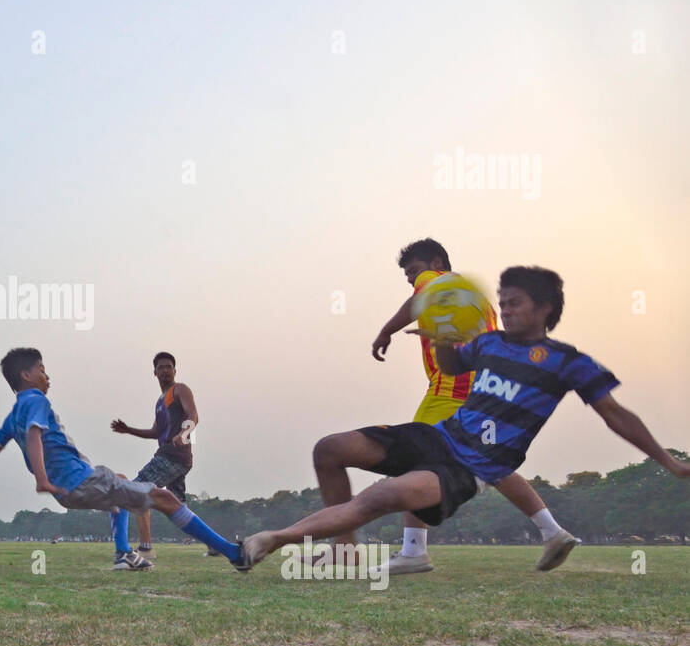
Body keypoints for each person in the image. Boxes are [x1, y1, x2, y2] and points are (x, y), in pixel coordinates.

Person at [242, 266, 690, 568]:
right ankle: (343, 550)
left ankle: (274, 538)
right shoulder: (490, 343)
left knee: (383, 496)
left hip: (473, 466)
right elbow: (454, 366)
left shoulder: (566, 362)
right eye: (503, 301)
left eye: (514, 302)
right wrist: (439, 336)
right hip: (439, 435)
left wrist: (668, 461)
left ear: (545, 309)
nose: (506, 309)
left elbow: (616, 415)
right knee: (330, 447)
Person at [363, 239, 577, 573]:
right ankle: (553, 531)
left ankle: (413, 551)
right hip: (484, 387)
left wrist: (385, 331)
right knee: (488, 462)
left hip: (449, 389)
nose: (412, 280)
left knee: (411, 457)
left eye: (414, 272)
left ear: (435, 263)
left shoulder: (438, 281)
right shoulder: (475, 298)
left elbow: (418, 297)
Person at [0, 348, 250, 572]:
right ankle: (233, 553)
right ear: (27, 376)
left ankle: (124, 551)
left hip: (69, 493)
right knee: (164, 499)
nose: (48, 377)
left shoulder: (13, 414)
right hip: (82, 480)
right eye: (43, 371)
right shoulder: (36, 400)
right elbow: (35, 434)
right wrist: (41, 478)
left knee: (123, 485)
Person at [111, 351, 198, 561]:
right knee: (178, 508)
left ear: (175, 370)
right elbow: (155, 432)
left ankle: (145, 548)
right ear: (155, 373)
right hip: (177, 459)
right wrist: (128, 429)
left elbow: (193, 415)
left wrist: (183, 434)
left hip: (172, 456)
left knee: (137, 491)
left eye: (169, 366)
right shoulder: (160, 401)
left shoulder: (180, 390)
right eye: (161, 367)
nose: (165, 370)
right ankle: (216, 545)